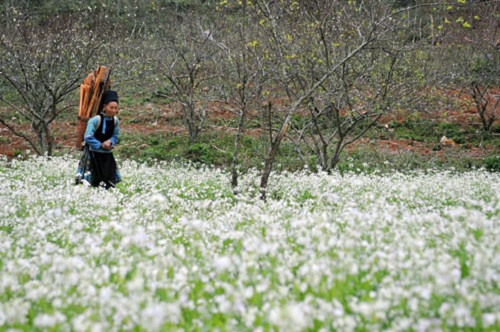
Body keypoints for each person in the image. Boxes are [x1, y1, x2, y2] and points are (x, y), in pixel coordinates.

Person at [77, 90, 122, 189]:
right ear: (104, 107)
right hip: (93, 153)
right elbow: (88, 136)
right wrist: (101, 144)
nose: (114, 110)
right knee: (92, 180)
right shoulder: (95, 120)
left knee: (108, 181)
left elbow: (116, 135)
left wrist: (111, 142)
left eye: (116, 108)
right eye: (111, 108)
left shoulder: (115, 121)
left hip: (107, 154)